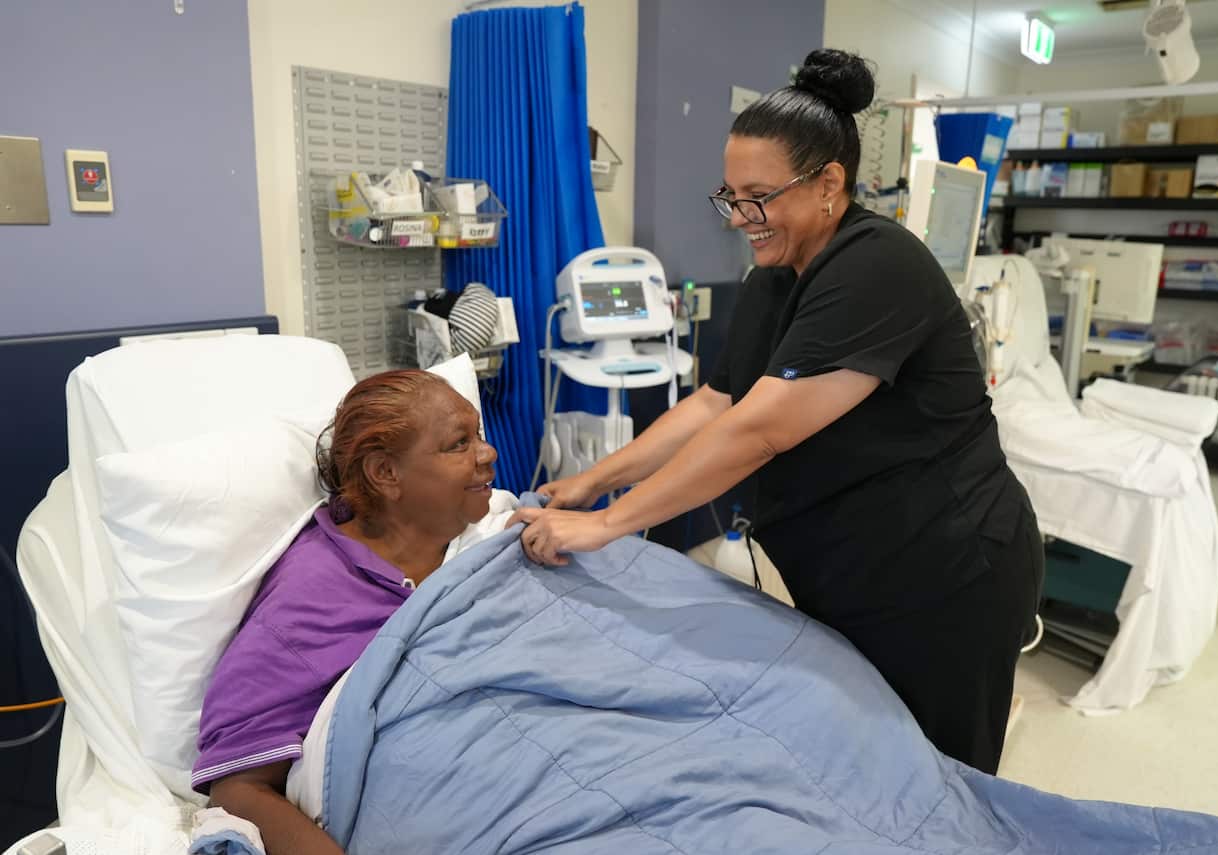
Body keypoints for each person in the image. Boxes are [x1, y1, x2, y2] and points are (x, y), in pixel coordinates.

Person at [509, 48, 1044, 775]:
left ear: (830, 184)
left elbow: (760, 429)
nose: (740, 218)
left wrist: (606, 523)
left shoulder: (877, 266)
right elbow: (716, 402)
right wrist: (590, 480)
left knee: (940, 780)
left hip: (947, 572)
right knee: (873, 760)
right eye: (730, 196)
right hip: (856, 566)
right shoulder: (776, 273)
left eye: (758, 196)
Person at [193, 370, 507, 855]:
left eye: (479, 434)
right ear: (386, 474)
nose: (487, 453)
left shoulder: (498, 537)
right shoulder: (311, 599)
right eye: (458, 443)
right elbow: (237, 786)